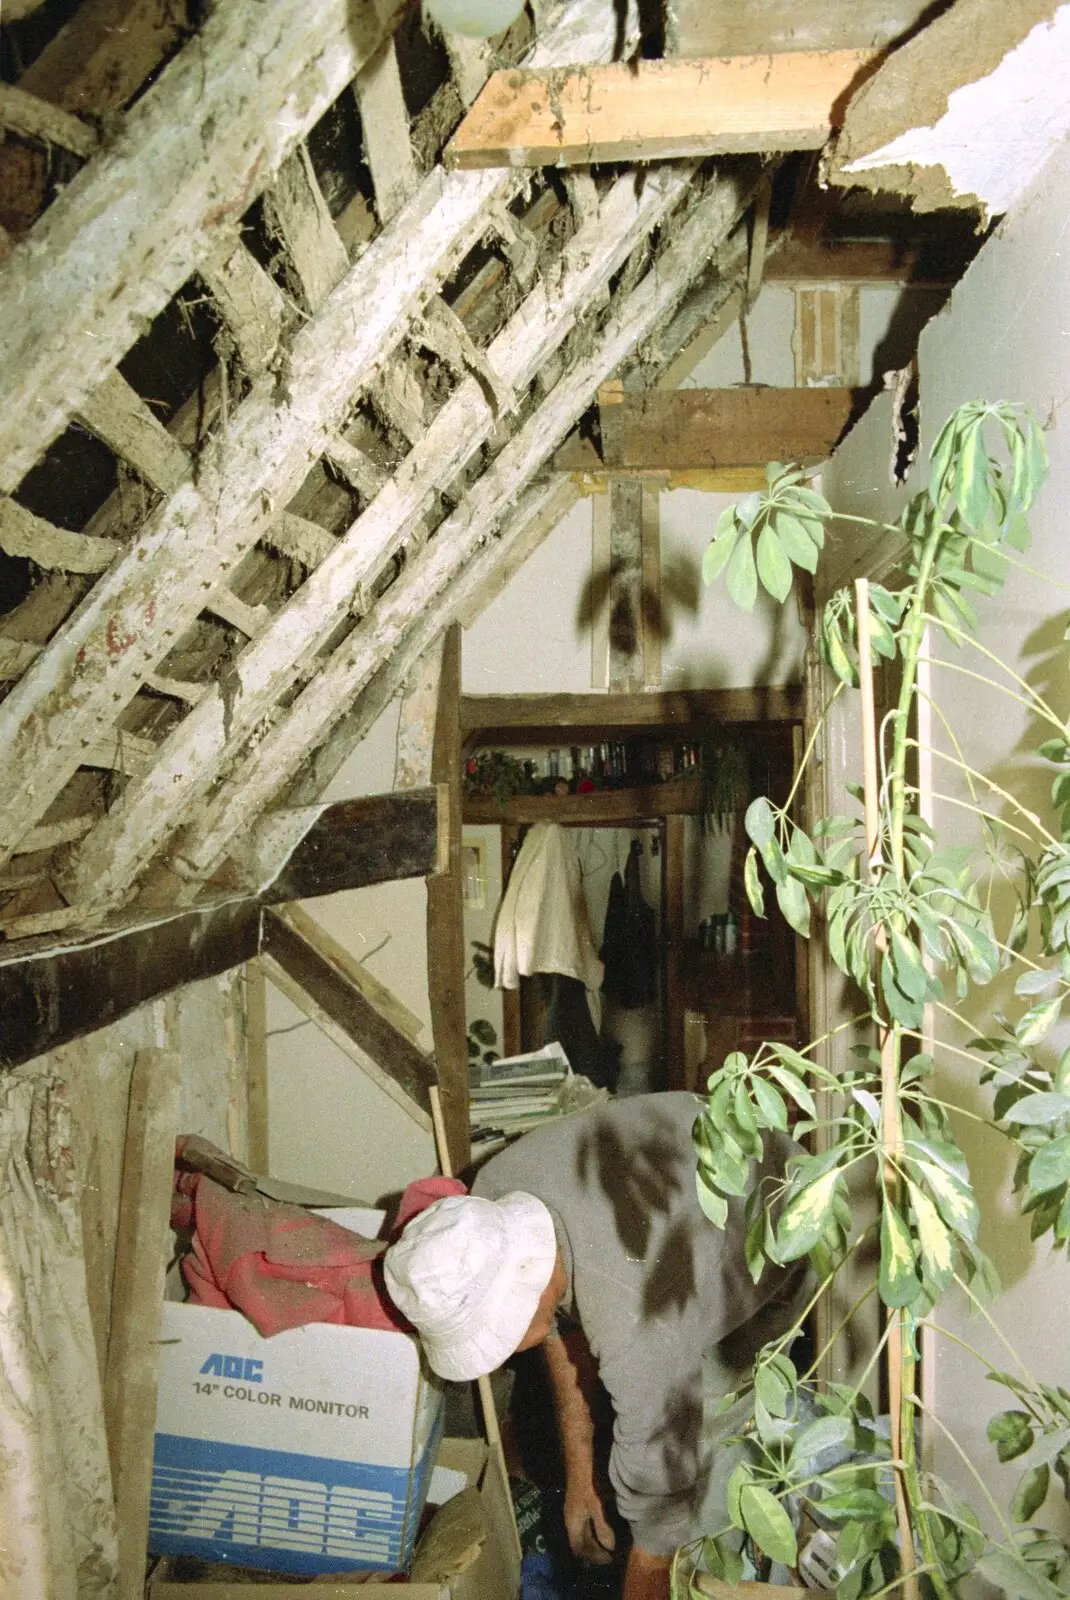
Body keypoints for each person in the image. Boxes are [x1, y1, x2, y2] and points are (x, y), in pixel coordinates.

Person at [384, 1092, 808, 1600]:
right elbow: (563, 1324)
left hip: (784, 1216)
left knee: (707, 1444)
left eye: (499, 1331)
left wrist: (653, 1560)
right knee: (637, 1419)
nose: (506, 1352)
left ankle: (723, 1570)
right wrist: (581, 1474)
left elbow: (660, 1504)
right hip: (678, 1199)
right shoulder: (498, 1193)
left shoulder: (635, 1320)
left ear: (529, 1278)